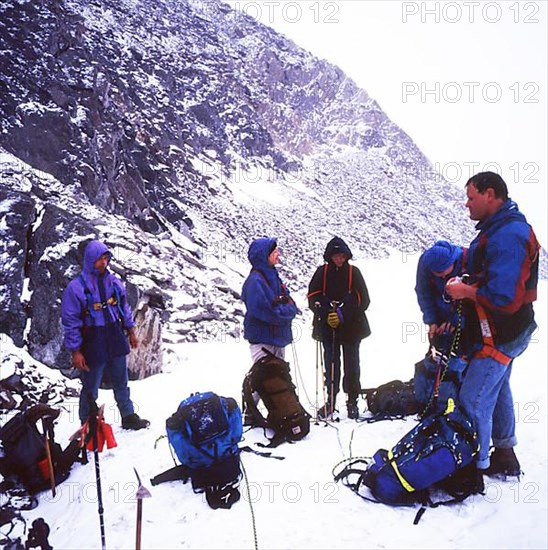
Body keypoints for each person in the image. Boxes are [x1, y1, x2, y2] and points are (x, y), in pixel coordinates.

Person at [445, 172, 539, 477]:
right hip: (509, 332)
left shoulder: (508, 235)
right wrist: (471, 283)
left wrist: (465, 291)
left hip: (499, 334)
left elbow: (504, 297)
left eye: (471, 197)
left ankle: (474, 466)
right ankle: (505, 454)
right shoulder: (502, 228)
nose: (467, 204)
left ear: (490, 194)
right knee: (497, 389)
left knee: (472, 399)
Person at [61, 240, 149, 430]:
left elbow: (123, 307)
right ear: (89, 260)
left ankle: (128, 415)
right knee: (90, 386)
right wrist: (76, 351)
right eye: (99, 259)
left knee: (121, 380)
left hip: (114, 333)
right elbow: (70, 321)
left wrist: (131, 330)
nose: (103, 262)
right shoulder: (75, 288)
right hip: (92, 338)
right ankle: (87, 424)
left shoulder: (113, 282)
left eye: (106, 258)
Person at [307, 237, 371, 419]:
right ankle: (331, 400)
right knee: (331, 364)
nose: (339, 259)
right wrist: (327, 312)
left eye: (342, 256)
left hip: (351, 327)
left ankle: (352, 400)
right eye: (336, 256)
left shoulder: (354, 272)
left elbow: (363, 299)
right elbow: (313, 296)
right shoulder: (322, 272)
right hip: (328, 327)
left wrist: (343, 313)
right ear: (329, 256)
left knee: (352, 365)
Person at [241, 238, 298, 364]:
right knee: (266, 378)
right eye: (274, 252)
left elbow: (291, 303)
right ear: (263, 255)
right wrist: (287, 312)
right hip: (263, 340)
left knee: (278, 378)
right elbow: (266, 311)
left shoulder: (274, 277)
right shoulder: (255, 281)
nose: (278, 254)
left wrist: (286, 309)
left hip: (277, 339)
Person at [415, 240, 467, 343]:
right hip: (439, 314)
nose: (442, 276)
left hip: (463, 317)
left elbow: (473, 299)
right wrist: (432, 321)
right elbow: (423, 292)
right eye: (436, 273)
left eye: (443, 272)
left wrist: (455, 321)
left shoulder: (467, 263)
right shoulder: (426, 262)